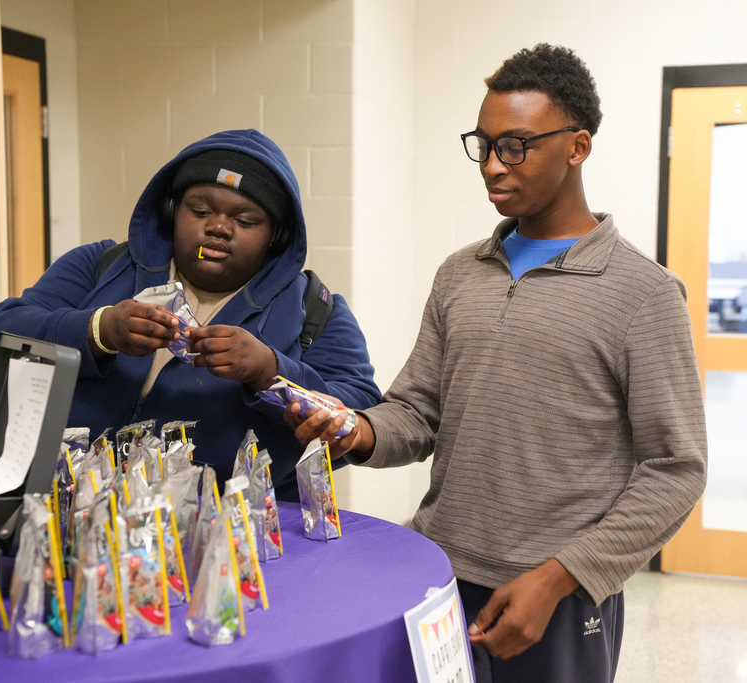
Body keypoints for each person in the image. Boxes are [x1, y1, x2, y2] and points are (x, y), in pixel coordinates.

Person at [287, 44, 707, 682]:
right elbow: (418, 412)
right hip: (439, 572)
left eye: (515, 147)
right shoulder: (461, 273)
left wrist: (559, 577)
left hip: (558, 597)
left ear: (578, 147)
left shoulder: (643, 293)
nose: (491, 165)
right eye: (483, 145)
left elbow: (675, 471)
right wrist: (357, 429)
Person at [0, 129, 381, 499]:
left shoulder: (316, 309)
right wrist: (98, 330)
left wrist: (270, 372)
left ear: (276, 235)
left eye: (244, 220)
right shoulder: (99, 265)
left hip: (232, 531)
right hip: (74, 510)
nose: (219, 228)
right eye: (201, 210)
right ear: (172, 210)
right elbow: (0, 337)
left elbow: (358, 414)